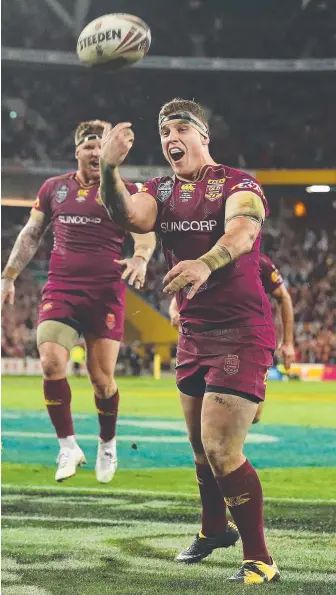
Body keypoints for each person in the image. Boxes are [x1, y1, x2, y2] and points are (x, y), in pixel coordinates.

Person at [98, 99, 280, 583]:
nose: (170, 138)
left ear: (204, 135)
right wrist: (109, 169)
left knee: (221, 448)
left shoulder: (239, 184)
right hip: (194, 335)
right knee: (201, 451)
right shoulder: (160, 189)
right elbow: (129, 216)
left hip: (241, 331)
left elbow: (243, 232)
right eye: (164, 132)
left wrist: (205, 263)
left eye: (180, 128)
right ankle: (214, 529)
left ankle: (260, 559)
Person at [1, 119, 156, 484]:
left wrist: (141, 258)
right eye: (88, 143)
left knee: (101, 380)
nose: (93, 150)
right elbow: (31, 234)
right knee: (51, 363)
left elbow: (144, 236)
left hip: (105, 292)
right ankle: (68, 446)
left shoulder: (125, 190)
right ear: (77, 151)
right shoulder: (54, 189)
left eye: (100, 143)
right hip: (62, 289)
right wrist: (8, 275)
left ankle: (107, 444)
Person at [169, 252, 295, 423]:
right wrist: (175, 315)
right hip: (205, 342)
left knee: (253, 414)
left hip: (247, 341)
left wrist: (288, 343)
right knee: (207, 415)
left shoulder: (258, 261)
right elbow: (176, 304)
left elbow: (283, 296)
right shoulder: (203, 260)